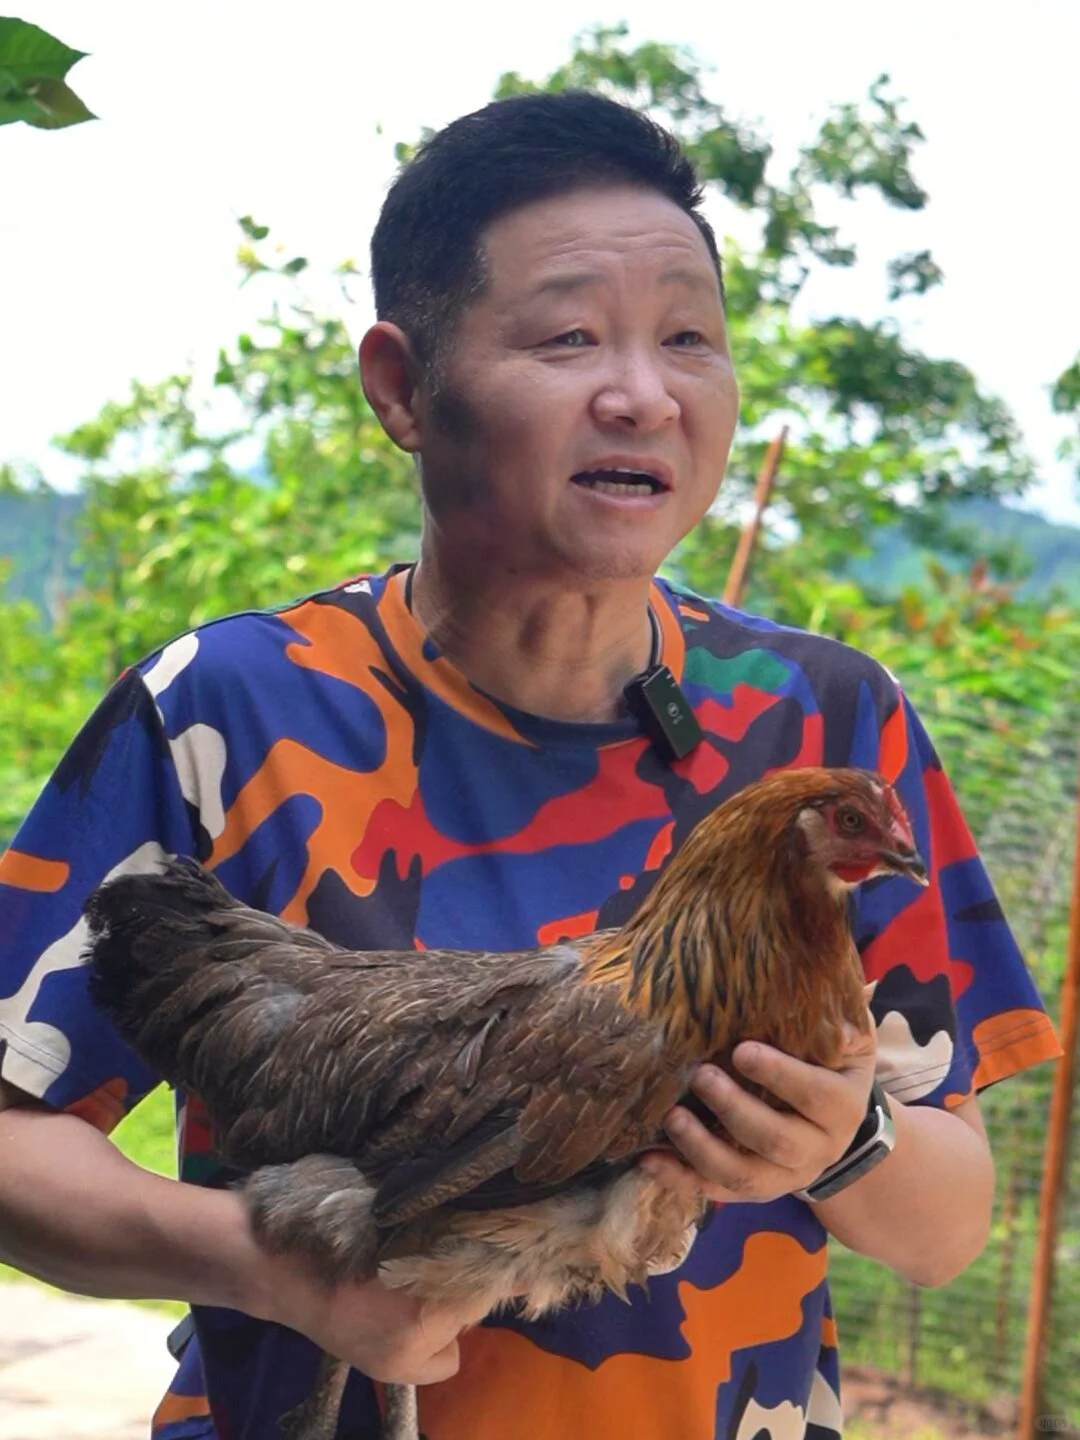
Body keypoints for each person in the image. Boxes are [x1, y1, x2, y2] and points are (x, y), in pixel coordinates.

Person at [0, 91, 1060, 1440]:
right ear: (402, 386)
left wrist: (850, 1140)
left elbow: (948, 1228)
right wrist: (277, 1268)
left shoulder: (830, 724)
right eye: (569, 337)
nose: (643, 394)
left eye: (689, 339)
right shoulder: (229, 706)